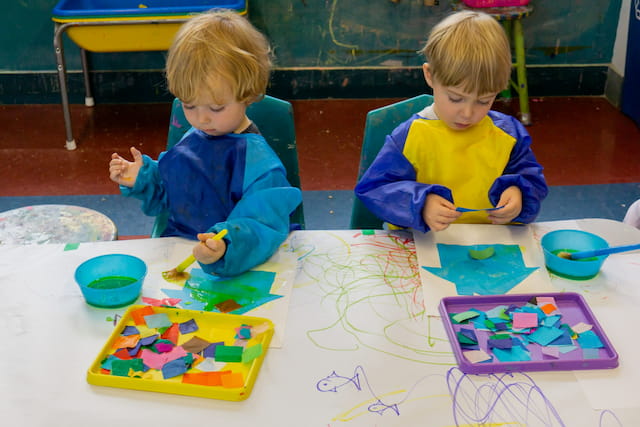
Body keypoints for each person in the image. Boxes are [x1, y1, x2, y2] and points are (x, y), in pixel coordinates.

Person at [108, 10, 302, 276]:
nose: (202, 119)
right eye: (189, 106)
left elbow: (263, 225)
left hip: (239, 264)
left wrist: (225, 244)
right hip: (178, 250)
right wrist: (143, 180)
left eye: (217, 107)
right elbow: (173, 196)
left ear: (250, 94)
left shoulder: (258, 163)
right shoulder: (194, 137)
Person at [355, 11, 548, 233]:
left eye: (484, 100)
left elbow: (531, 180)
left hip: (489, 247)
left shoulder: (508, 134)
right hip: (423, 246)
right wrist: (420, 204)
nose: (467, 114)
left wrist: (519, 194)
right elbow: (375, 189)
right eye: (455, 98)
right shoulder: (411, 136)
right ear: (429, 75)